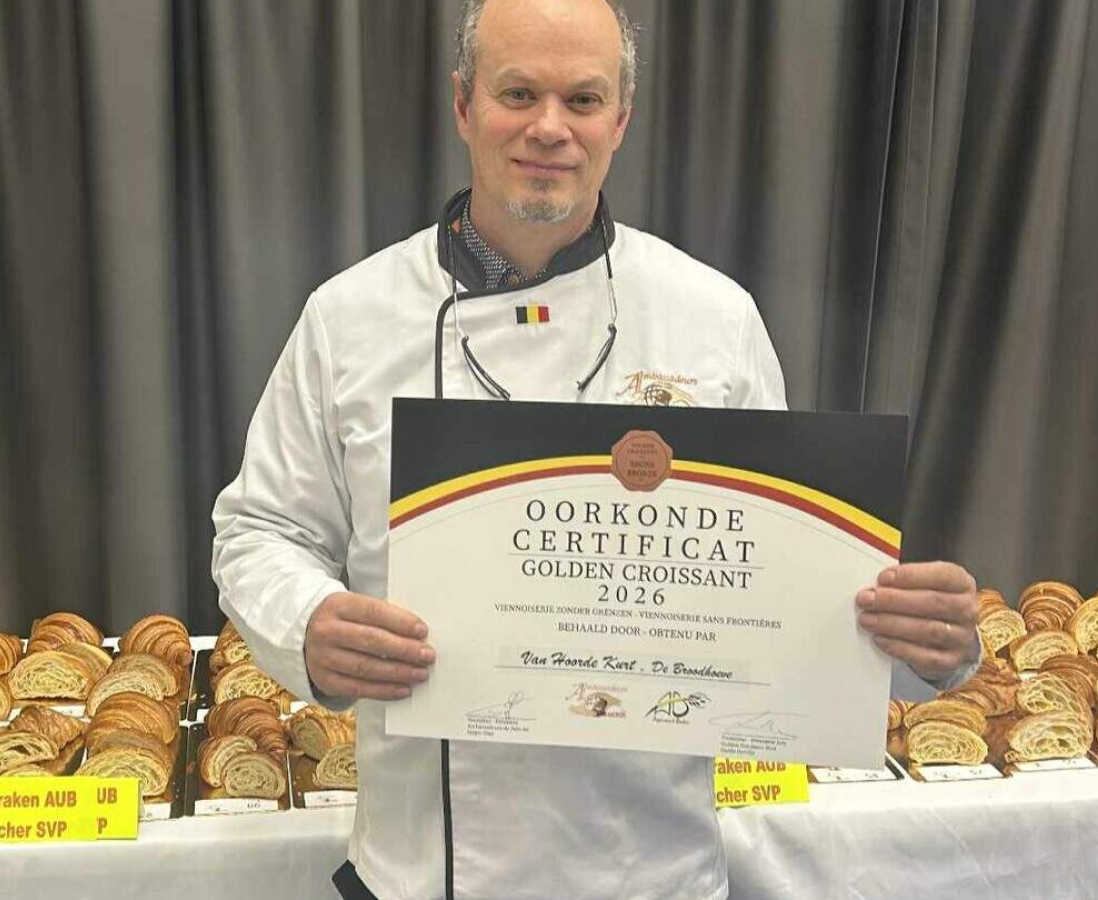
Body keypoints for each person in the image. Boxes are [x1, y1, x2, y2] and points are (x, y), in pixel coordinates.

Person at [212, 0, 981, 897]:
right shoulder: (349, 317)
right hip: (421, 877)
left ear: (620, 120)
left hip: (651, 873)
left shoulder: (713, 318)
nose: (550, 128)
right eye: (518, 93)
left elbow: (781, 592)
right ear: (463, 104)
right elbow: (259, 528)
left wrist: (920, 645)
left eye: (582, 99)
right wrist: (307, 621)